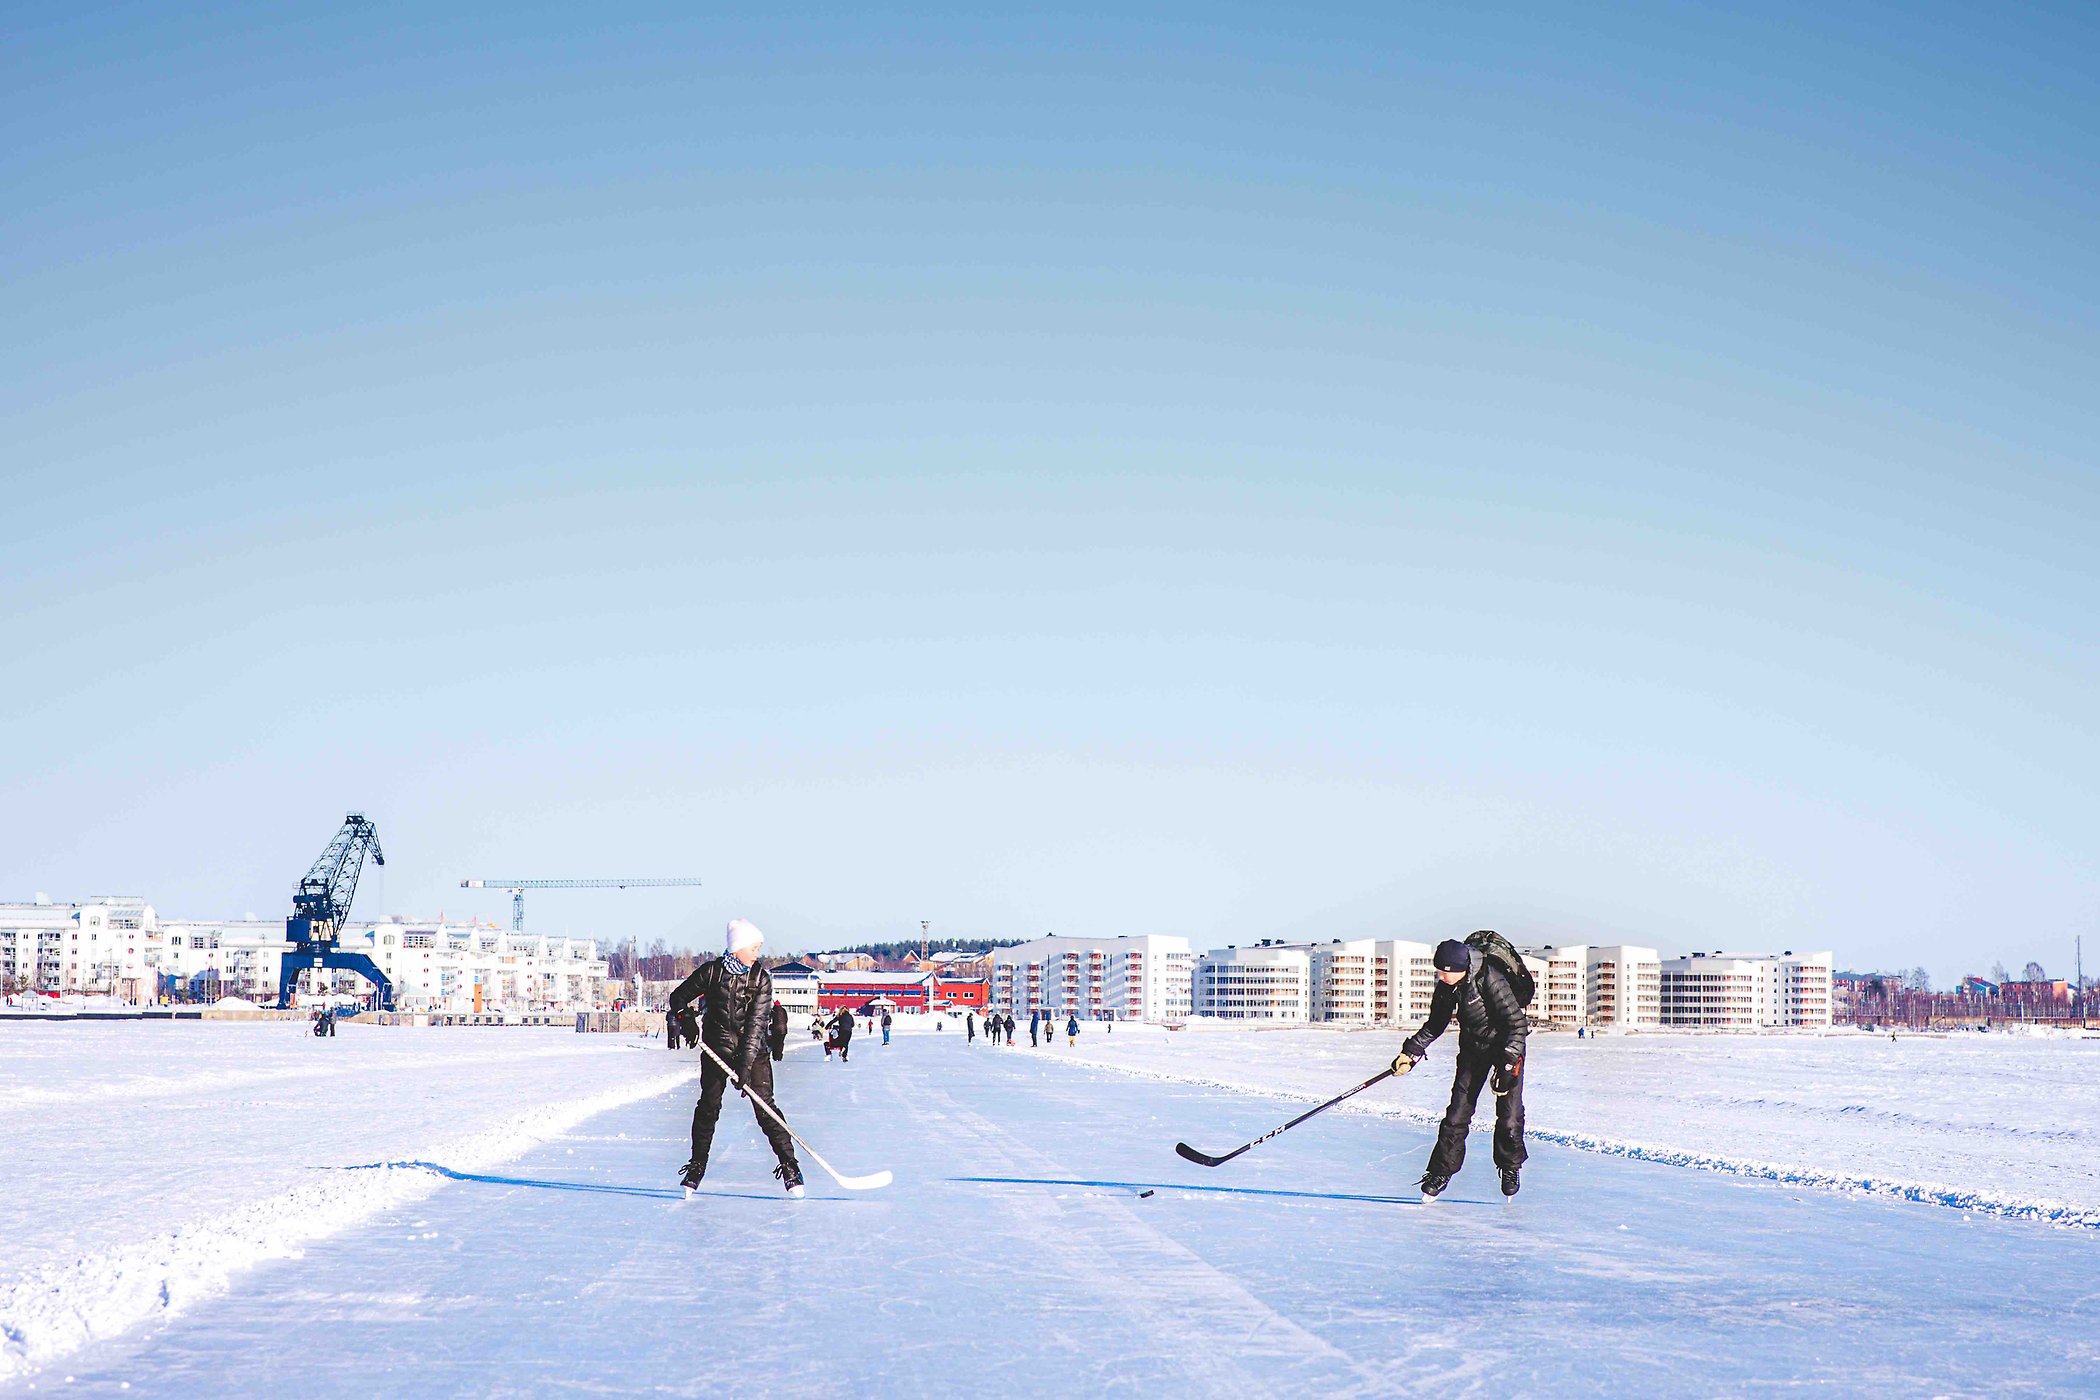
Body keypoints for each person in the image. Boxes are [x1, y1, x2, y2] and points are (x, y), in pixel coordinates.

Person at [666, 919, 804, 1196]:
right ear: (737, 947)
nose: (757, 953)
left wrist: (745, 1065)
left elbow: (756, 1025)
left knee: (765, 1108)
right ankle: (696, 1165)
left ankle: (789, 1166)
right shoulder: (712, 972)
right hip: (716, 1050)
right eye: (753, 947)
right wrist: (687, 1019)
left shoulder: (760, 978)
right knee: (708, 1107)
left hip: (754, 1053)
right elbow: (678, 997)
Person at [1391, 935, 1529, 1199]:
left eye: (1445, 972)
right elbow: (1435, 1024)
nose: (1441, 976)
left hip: (1506, 1049)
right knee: (1457, 1114)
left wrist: (1510, 1063)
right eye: (1439, 971)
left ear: (1461, 969)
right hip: (1473, 1050)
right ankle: (1441, 1171)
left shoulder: (1492, 979)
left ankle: (1510, 1167)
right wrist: (1411, 1051)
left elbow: (1517, 1025)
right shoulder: (1447, 986)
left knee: (1509, 1115)